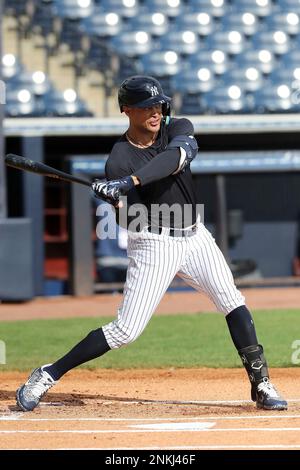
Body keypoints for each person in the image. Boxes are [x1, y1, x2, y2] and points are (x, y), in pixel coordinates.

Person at [16, 75, 287, 412]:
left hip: (195, 236)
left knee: (233, 301)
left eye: (158, 104)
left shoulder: (177, 128)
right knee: (125, 332)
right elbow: (129, 222)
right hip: (154, 243)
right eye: (146, 107)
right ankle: (47, 373)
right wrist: (115, 202)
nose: (155, 112)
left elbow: (175, 159)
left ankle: (261, 384)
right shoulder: (118, 158)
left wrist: (128, 183)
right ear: (127, 110)